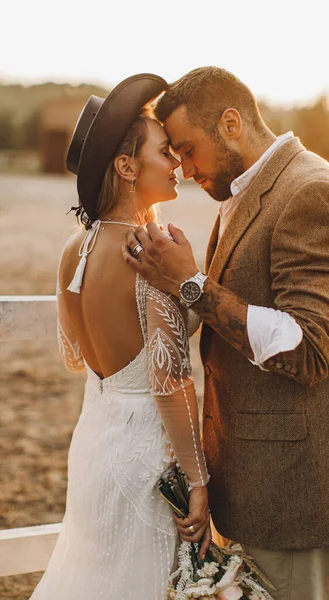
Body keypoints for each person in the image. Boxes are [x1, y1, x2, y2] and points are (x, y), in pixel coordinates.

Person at [123, 66, 329, 600]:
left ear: (232, 123)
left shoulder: (309, 191)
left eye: (188, 149)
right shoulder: (244, 189)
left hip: (290, 500)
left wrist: (190, 285)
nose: (184, 167)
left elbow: (309, 349)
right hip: (246, 484)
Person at [29, 74, 211, 600]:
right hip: (145, 456)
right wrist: (196, 480)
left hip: (95, 439)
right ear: (127, 166)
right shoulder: (149, 250)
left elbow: (72, 356)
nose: (176, 161)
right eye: (163, 151)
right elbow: (170, 382)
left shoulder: (73, 250)